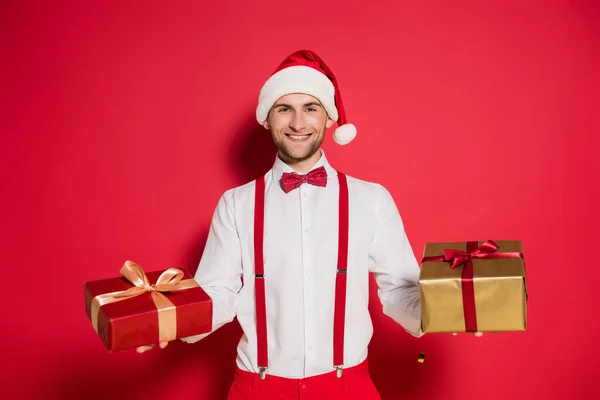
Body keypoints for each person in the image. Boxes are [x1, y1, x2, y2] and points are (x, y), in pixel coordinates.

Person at [138, 49, 426, 399]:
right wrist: (167, 323)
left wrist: (455, 310)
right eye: (284, 109)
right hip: (257, 388)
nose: (298, 124)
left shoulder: (372, 199)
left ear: (329, 119)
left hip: (348, 388)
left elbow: (399, 289)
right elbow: (218, 292)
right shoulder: (235, 204)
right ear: (266, 119)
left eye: (310, 108)